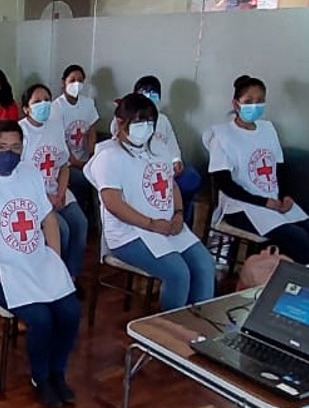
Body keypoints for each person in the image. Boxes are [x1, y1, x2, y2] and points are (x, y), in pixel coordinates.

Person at [0, 120, 80, 408]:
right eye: (1, 147)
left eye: (15, 147)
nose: (8, 153)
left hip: (35, 260)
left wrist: (54, 259)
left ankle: (57, 372)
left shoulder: (29, 174)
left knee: (70, 311)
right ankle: (40, 378)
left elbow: (48, 218)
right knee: (40, 317)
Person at [86, 94, 215, 311]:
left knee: (204, 264)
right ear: (120, 123)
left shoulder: (159, 148)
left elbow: (170, 184)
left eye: (149, 122)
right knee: (178, 273)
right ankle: (169, 333)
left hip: (167, 226)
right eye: (138, 122)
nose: (145, 128)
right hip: (130, 233)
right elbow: (113, 203)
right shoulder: (109, 155)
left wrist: (179, 214)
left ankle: (200, 327)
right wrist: (151, 224)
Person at [204, 75, 309, 264]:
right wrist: (263, 202)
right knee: (298, 238)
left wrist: (285, 196)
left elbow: (278, 169)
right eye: (249, 101)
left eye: (260, 101)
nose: (255, 106)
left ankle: (308, 279)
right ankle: (299, 283)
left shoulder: (267, 130)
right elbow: (225, 184)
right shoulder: (223, 136)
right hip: (242, 206)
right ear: (236, 104)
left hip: (273, 200)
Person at [111, 76, 202, 225]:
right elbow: (116, 135)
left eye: (154, 94)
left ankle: (181, 219)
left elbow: (171, 142)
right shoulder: (125, 120)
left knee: (192, 178)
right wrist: (121, 113)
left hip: (164, 165)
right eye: (144, 93)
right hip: (145, 167)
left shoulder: (163, 120)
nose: (149, 97)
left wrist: (176, 160)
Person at [21, 83, 87, 281]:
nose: (44, 105)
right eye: (37, 101)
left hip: (57, 190)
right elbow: (19, 175)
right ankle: (53, 277)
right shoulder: (20, 132)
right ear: (26, 108)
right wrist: (46, 197)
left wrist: (60, 192)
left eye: (47, 100)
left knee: (80, 223)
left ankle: (71, 276)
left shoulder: (55, 126)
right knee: (61, 230)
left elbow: (64, 165)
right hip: (33, 195)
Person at [57, 64, 100, 212]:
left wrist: (91, 155)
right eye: (72, 80)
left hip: (85, 158)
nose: (76, 84)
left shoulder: (88, 103)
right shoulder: (57, 107)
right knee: (83, 180)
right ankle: (82, 211)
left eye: (80, 81)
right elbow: (59, 139)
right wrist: (76, 162)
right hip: (67, 162)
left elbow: (91, 130)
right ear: (64, 82)